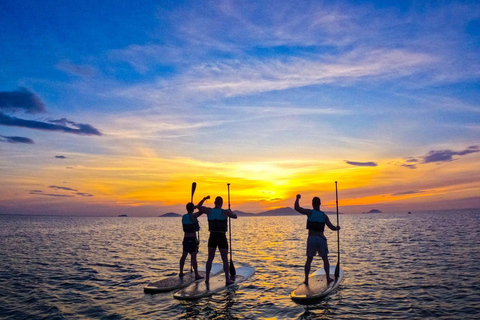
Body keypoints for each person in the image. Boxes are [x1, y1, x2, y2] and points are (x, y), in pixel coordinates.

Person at [294, 194, 340, 285]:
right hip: (320, 239)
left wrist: (297, 199)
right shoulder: (324, 215)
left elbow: (297, 208)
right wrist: (337, 228)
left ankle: (306, 279)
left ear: (312, 204)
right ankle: (327, 278)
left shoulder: (309, 213)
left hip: (311, 239)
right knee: (325, 259)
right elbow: (331, 227)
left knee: (309, 260)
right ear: (320, 204)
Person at [197, 195, 237, 285]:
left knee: (210, 259)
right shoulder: (225, 212)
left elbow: (199, 207)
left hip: (212, 237)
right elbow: (235, 216)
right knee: (225, 259)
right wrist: (230, 211)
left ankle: (207, 278)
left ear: (215, 203)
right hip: (221, 237)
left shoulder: (209, 211)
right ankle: (227, 279)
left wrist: (203, 199)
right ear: (221, 204)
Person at [179, 201, 205, 280]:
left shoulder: (183, 217)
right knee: (194, 258)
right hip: (192, 240)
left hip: (186, 239)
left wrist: (194, 207)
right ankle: (196, 275)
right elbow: (202, 211)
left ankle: (181, 272)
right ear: (192, 209)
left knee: (183, 256)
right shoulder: (193, 216)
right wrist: (198, 206)